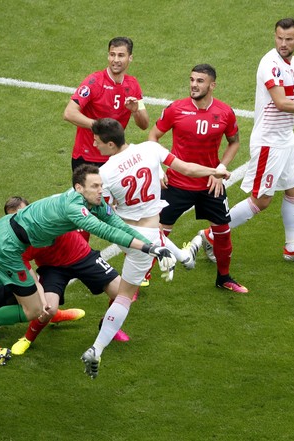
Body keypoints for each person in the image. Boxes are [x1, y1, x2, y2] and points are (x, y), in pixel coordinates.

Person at [0, 164, 177, 347]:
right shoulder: (74, 208)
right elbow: (105, 231)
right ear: (78, 188)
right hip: (7, 247)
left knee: (34, 304)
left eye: (100, 185)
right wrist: (149, 249)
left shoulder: (91, 199)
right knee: (34, 310)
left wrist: (153, 246)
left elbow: (115, 222)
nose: (100, 190)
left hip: (6, 230)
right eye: (95, 186)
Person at [80, 118, 231, 379]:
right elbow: (185, 168)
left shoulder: (104, 173)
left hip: (127, 235)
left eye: (97, 140)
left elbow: (102, 210)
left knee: (133, 281)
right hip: (145, 233)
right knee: (127, 293)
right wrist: (212, 171)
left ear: (111, 143)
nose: (94, 143)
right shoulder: (151, 149)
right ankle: (97, 348)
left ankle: (184, 257)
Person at [204, 18, 294, 263]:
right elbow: (281, 103)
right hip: (269, 142)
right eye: (279, 38)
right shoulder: (270, 64)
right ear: (275, 36)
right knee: (262, 200)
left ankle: (292, 248)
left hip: (286, 139)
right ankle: (209, 236)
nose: (283, 43)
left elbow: (291, 95)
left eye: (289, 39)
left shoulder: (292, 62)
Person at [147, 64, 248, 293]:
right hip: (176, 183)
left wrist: (221, 168)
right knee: (157, 232)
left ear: (212, 85)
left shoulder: (225, 112)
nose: (194, 84)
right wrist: (159, 169)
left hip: (210, 184)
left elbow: (234, 141)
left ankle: (224, 278)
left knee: (223, 232)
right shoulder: (175, 109)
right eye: (192, 79)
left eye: (200, 81)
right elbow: (152, 137)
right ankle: (141, 278)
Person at [1, 197, 126, 355]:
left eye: (23, 212)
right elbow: (28, 271)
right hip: (52, 269)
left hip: (82, 256)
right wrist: (40, 295)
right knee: (49, 310)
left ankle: (109, 326)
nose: (20, 219)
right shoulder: (17, 242)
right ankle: (27, 338)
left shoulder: (50, 216)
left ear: (31, 209)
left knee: (121, 292)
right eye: (14, 217)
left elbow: (78, 208)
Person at [63, 36, 149, 171]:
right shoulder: (94, 82)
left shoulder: (133, 85)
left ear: (130, 58)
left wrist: (135, 110)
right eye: (112, 55)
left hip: (116, 159)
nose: (115, 60)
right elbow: (69, 113)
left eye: (121, 55)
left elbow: (144, 124)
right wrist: (101, 128)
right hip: (87, 158)